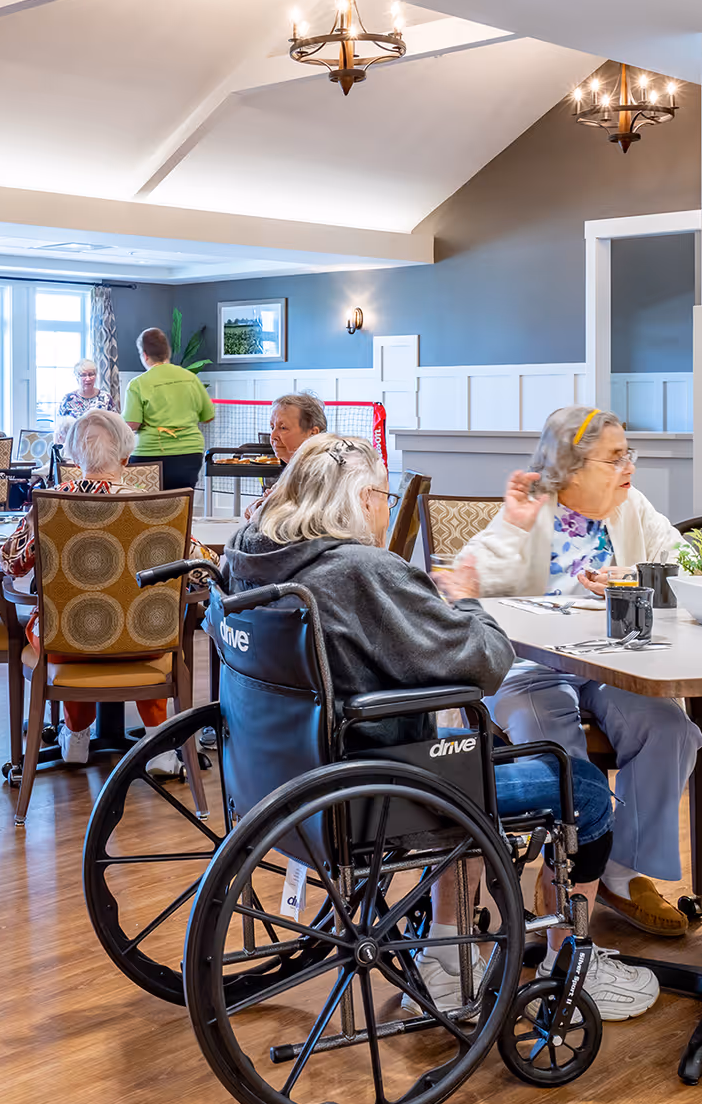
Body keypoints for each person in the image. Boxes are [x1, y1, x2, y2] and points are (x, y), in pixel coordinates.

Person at [225, 433, 656, 1020]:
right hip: (381, 782)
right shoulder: (360, 571)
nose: (386, 509)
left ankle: (449, 953)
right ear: (357, 498)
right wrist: (468, 598)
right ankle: (565, 956)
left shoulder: (247, 556)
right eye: (382, 495)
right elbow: (482, 660)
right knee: (578, 786)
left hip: (276, 775)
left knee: (463, 760)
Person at [440, 404, 700, 940]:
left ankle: (620, 875)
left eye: (629, 453)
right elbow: (469, 577)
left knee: (669, 728)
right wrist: (513, 533)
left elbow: (686, 561)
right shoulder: (531, 508)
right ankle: (561, 880)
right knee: (558, 749)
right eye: (614, 457)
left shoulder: (633, 508)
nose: (628, 465)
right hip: (529, 668)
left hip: (609, 665)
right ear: (573, 466)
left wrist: (633, 576)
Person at [0, 409, 209, 779]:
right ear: (126, 459)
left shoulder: (48, 503)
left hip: (65, 642)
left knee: (67, 624)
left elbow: (13, 564)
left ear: (73, 458)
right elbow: (203, 567)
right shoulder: (158, 507)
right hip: (146, 641)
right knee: (150, 617)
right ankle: (158, 746)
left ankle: (76, 737)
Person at [123, 327, 214, 490]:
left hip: (149, 454)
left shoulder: (137, 384)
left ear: (144, 355)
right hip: (190, 453)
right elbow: (208, 416)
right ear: (167, 352)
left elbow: (131, 423)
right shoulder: (191, 378)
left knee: (147, 507)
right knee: (181, 504)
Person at [243, 393, 328, 518]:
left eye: (283, 428)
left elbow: (273, 519)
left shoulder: (322, 471)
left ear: (313, 433)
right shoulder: (294, 467)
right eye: (272, 427)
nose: (273, 436)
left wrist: (263, 508)